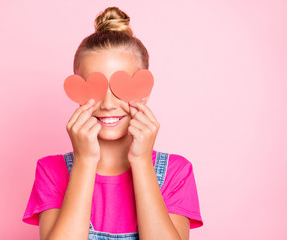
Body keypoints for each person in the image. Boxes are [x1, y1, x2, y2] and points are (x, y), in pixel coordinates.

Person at [22, 6, 203, 240]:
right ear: (77, 90)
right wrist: (85, 161)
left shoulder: (175, 173)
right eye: (95, 88)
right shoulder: (51, 172)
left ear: (144, 91)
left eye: (120, 89)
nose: (107, 104)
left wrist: (141, 161)